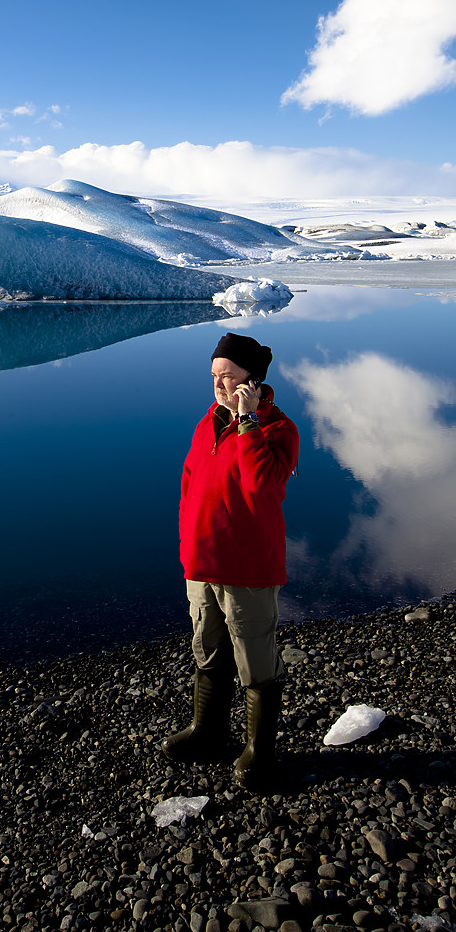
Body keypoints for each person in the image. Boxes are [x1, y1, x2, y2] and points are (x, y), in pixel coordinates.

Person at [160, 331, 299, 787]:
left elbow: (263, 484)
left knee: (255, 656)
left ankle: (260, 751)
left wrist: (247, 421)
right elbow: (187, 485)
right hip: (201, 564)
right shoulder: (207, 423)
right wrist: (186, 547)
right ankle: (208, 732)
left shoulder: (278, 429)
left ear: (253, 382)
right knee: (208, 649)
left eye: (230, 376)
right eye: (215, 375)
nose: (220, 384)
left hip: (247, 567)